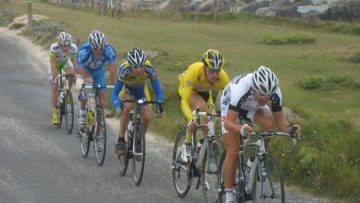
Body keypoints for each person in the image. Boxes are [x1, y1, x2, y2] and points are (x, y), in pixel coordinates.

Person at [220, 65, 301, 203]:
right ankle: (229, 195)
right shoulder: (242, 89)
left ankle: (258, 156)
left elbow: (280, 121)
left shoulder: (274, 93)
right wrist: (240, 128)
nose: (265, 98)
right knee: (233, 151)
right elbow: (228, 122)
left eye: (268, 96)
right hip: (231, 105)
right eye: (262, 94)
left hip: (252, 105)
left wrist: (290, 129)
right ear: (255, 87)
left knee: (269, 124)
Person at [178, 49, 230, 162]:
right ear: (205, 67)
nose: (215, 74)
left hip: (205, 92)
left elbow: (230, 99)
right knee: (199, 108)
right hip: (188, 90)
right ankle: (186, 144)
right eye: (211, 71)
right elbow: (184, 101)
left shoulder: (223, 77)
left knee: (209, 120)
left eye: (217, 71)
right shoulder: (194, 70)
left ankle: (201, 148)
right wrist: (191, 118)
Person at [112, 48, 164, 154]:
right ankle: (121, 140)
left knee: (148, 115)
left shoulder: (150, 69)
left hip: (140, 90)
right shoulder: (124, 70)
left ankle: (139, 140)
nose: (139, 69)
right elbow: (114, 93)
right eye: (135, 67)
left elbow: (158, 92)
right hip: (126, 89)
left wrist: (160, 105)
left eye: (142, 66)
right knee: (128, 107)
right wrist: (117, 106)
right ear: (130, 65)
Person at [76, 30, 117, 131]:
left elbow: (113, 70)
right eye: (95, 48)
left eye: (101, 48)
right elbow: (78, 69)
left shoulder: (109, 50)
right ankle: (82, 113)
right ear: (90, 46)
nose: (98, 51)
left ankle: (98, 131)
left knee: (102, 102)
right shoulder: (84, 51)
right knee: (84, 96)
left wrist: (115, 86)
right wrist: (87, 76)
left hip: (98, 72)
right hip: (85, 70)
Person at [49, 31, 78, 125]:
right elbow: (53, 65)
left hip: (65, 62)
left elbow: (74, 63)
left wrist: (72, 75)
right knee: (55, 86)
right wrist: (54, 77)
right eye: (64, 46)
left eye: (68, 45)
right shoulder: (54, 48)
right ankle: (54, 113)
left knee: (71, 74)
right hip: (56, 64)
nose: (66, 48)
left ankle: (67, 91)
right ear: (60, 44)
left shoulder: (73, 48)